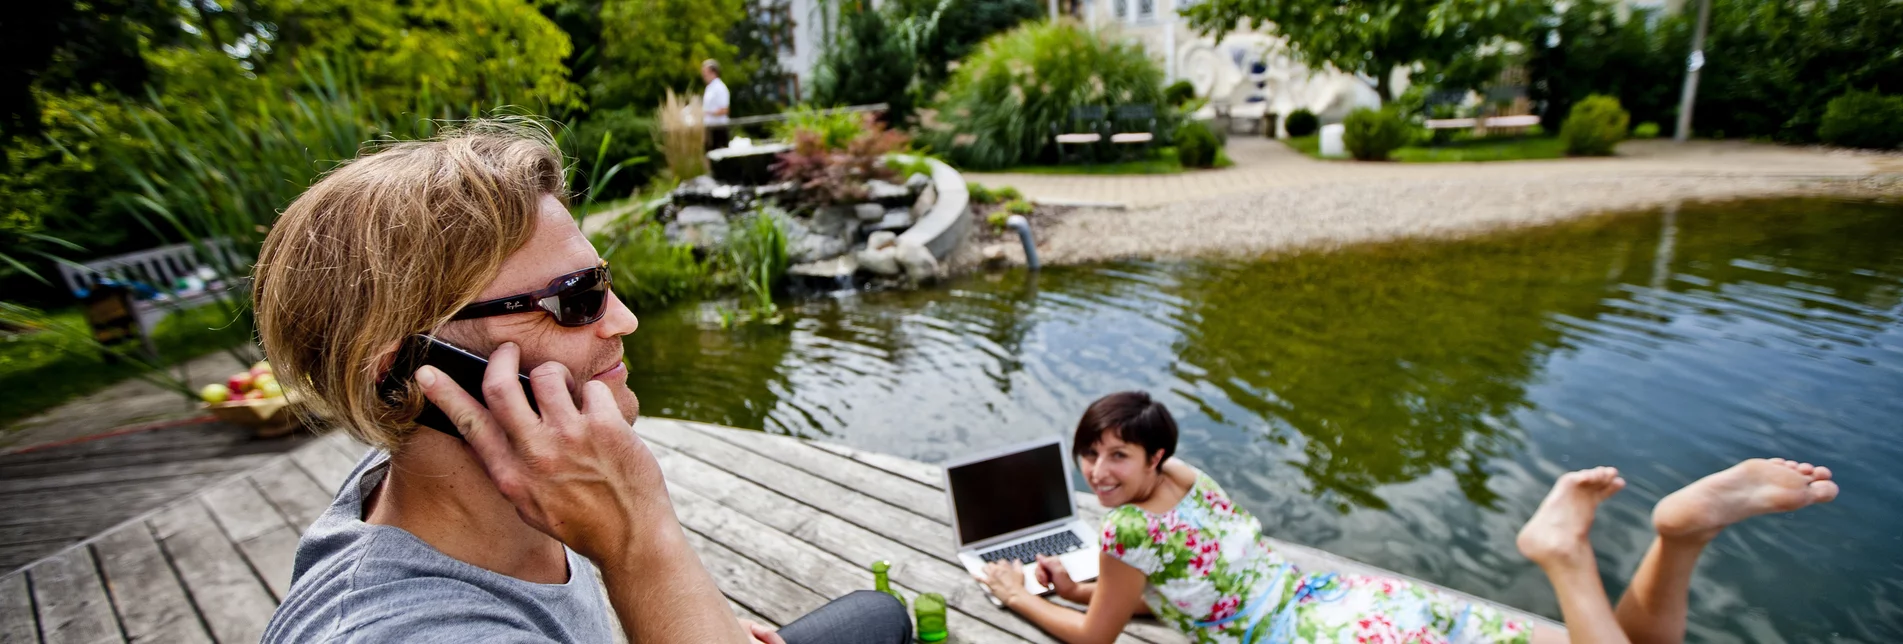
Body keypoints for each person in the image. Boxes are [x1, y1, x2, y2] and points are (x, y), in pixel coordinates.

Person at [255, 121, 911, 644]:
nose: (622, 318)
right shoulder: (403, 630)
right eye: (577, 297)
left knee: (882, 613)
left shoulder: (488, 481)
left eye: (602, 278)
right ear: (406, 373)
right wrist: (639, 542)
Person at [978, 391, 1840, 644]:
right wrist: (1088, 580)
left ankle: (1563, 556)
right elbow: (1185, 574)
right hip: (1332, 591)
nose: (1097, 472)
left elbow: (1096, 640)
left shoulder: (1127, 531)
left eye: (1115, 457)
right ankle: (1679, 537)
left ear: (1151, 461)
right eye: (1089, 455)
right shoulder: (1190, 484)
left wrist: (1021, 592)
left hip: (1310, 637)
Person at [701, 59, 731, 151]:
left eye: (705, 71)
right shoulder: (709, 88)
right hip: (710, 129)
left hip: (719, 129)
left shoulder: (720, 88)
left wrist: (706, 113)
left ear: (713, 72)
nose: (703, 75)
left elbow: (724, 110)